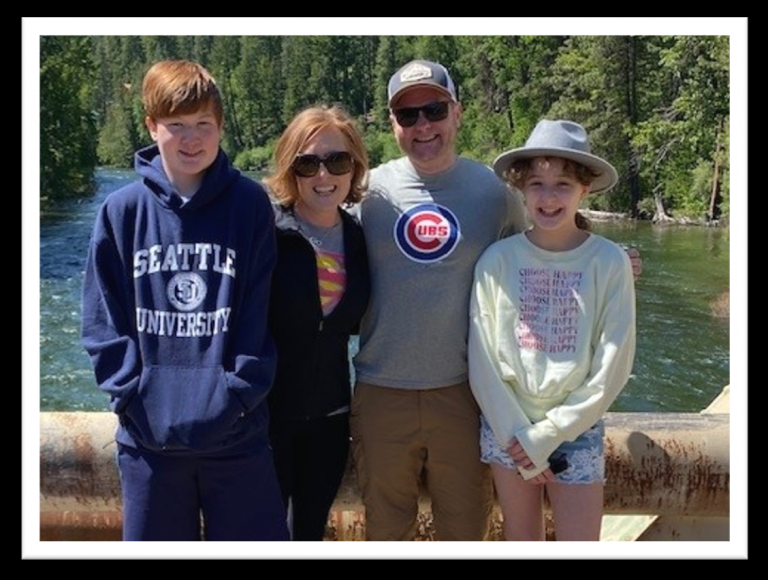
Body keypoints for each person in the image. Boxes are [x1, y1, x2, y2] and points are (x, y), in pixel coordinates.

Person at [349, 59, 643, 542]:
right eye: (407, 114)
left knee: (469, 528)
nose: (423, 125)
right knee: (385, 529)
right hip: (383, 388)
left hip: (463, 395)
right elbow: (320, 230)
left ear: (457, 112)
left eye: (434, 109)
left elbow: (548, 240)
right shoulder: (367, 191)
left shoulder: (494, 192)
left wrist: (612, 258)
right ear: (392, 122)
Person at [80, 59, 289, 541]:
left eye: (203, 124)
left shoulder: (249, 204)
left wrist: (238, 395)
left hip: (238, 439)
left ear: (220, 127)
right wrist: (131, 395)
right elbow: (102, 319)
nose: (191, 139)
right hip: (148, 444)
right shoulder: (121, 211)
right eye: (176, 125)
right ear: (151, 126)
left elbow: (259, 310)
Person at [468, 119, 637, 541]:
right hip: (508, 428)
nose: (548, 197)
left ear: (585, 189)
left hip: (577, 430)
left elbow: (613, 365)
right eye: (536, 184)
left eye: (563, 184)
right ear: (521, 189)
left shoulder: (609, 261)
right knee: (521, 538)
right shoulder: (496, 260)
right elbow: (482, 360)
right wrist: (518, 437)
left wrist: (549, 434)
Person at [262, 105, 370, 541]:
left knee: (308, 534)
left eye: (337, 161)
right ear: (291, 169)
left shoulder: (362, 238)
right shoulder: (268, 231)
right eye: (308, 164)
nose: (324, 175)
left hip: (331, 420)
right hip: (267, 418)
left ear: (354, 167)